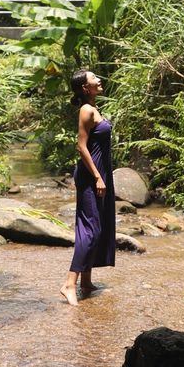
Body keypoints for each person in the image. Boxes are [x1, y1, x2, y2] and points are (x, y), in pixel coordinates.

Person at [59, 69, 116, 306]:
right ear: (85, 88)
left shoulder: (94, 108)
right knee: (91, 229)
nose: (99, 80)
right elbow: (81, 147)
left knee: (98, 226)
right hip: (91, 175)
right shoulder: (86, 110)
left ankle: (85, 281)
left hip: (100, 174)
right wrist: (97, 177)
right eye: (94, 78)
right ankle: (69, 283)